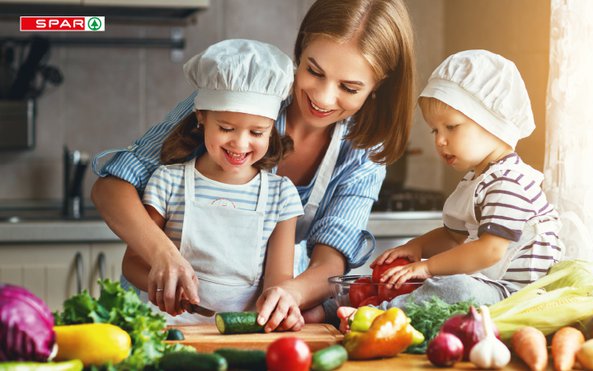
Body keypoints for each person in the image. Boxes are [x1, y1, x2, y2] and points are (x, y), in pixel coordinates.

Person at [91, 0, 415, 331]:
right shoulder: (237, 92)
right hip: (157, 314)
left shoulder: (363, 150)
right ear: (300, 50)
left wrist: (289, 294)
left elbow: (330, 259)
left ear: (378, 85)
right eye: (314, 71)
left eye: (349, 87)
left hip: (247, 319)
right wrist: (163, 255)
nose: (323, 97)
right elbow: (111, 187)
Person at [120, 39, 304, 325]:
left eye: (257, 132)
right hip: (170, 329)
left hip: (240, 335)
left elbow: (278, 283)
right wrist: (164, 287)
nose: (240, 143)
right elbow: (132, 263)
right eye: (226, 128)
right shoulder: (168, 182)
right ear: (201, 117)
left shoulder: (281, 195)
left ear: (272, 129)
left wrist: (277, 309)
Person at [371, 50, 563, 308]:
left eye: (451, 127)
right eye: (435, 130)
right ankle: (360, 303)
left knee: (456, 287)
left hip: (518, 296)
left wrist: (428, 268)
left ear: (492, 122)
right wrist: (417, 246)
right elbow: (453, 238)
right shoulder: (479, 179)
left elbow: (490, 250)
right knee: (441, 283)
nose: (439, 140)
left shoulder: (510, 182)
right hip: (491, 287)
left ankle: (381, 314)